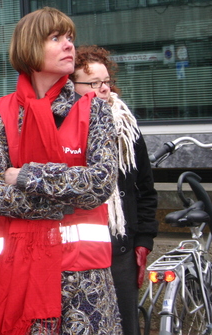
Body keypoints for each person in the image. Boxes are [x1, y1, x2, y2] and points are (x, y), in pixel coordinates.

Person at [0, 7, 122, 335]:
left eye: (70, 38)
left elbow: (99, 183)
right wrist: (63, 202)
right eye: (56, 38)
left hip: (82, 282)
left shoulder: (94, 109)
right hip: (15, 275)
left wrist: (26, 175)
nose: (69, 45)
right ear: (29, 48)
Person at [71, 45, 158, 335]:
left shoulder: (127, 126)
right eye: (93, 83)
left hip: (121, 247)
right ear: (72, 86)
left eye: (106, 81)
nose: (103, 88)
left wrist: (143, 239)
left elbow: (145, 188)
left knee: (126, 325)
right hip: (81, 252)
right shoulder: (66, 128)